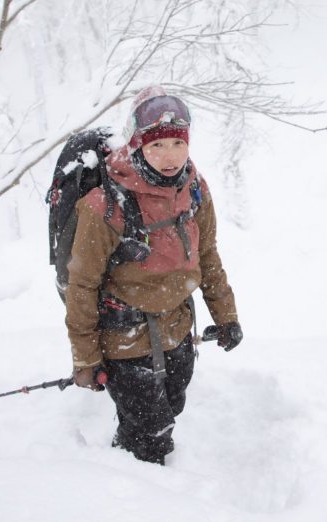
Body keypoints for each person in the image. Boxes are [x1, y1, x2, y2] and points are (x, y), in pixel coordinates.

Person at [64, 85, 243, 465]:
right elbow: (82, 285)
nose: (170, 157)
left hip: (179, 328)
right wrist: (86, 359)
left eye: (178, 144)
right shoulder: (106, 204)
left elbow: (207, 255)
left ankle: (126, 454)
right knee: (152, 436)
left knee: (171, 407)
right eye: (157, 145)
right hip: (125, 338)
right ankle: (137, 495)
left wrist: (225, 316)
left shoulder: (193, 188)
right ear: (137, 144)